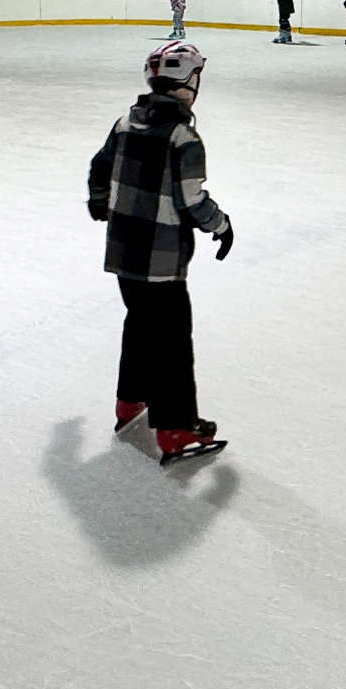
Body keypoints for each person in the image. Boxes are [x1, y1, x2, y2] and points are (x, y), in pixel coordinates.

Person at [87, 40, 234, 466]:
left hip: (123, 254)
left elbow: (99, 167)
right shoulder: (182, 137)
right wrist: (220, 224)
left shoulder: (125, 123)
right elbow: (192, 201)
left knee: (139, 322)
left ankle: (129, 401)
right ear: (188, 81)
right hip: (162, 259)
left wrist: (101, 203)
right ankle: (175, 428)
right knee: (170, 339)